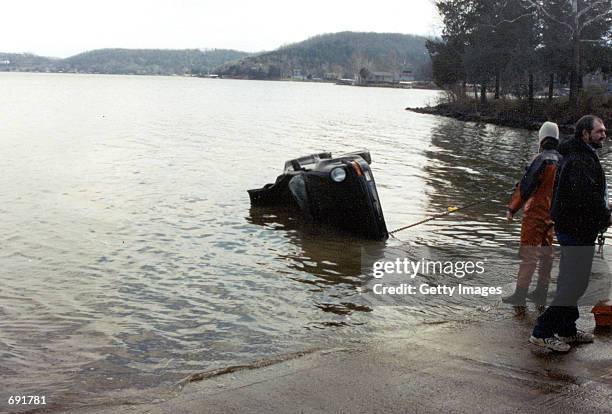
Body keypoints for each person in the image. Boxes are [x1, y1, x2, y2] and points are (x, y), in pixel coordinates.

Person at [530, 115, 609, 352]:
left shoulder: (582, 155)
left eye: (604, 131)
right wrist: (606, 216)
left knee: (572, 281)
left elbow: (589, 194)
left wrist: (605, 208)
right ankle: (542, 332)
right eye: (599, 131)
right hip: (576, 229)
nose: (604, 135)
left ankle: (566, 329)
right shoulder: (578, 160)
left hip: (577, 227)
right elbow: (584, 198)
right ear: (585, 133)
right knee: (574, 284)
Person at [503, 122, 561, 311]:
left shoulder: (540, 159)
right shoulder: (562, 160)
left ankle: (520, 296)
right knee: (547, 255)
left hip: (535, 212)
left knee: (529, 255)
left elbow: (526, 188)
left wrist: (512, 208)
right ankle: (541, 294)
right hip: (552, 215)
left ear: (542, 138)